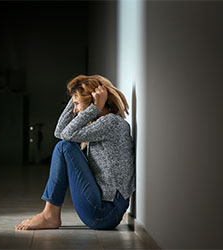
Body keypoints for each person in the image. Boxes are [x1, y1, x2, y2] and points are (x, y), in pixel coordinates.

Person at [15, 74, 136, 230]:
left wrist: (93, 108)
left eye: (77, 104)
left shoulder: (111, 123)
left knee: (64, 147)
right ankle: (49, 215)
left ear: (94, 103)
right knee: (64, 145)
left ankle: (49, 215)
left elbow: (65, 135)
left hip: (104, 213)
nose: (75, 110)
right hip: (104, 211)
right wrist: (78, 98)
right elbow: (59, 132)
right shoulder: (105, 123)